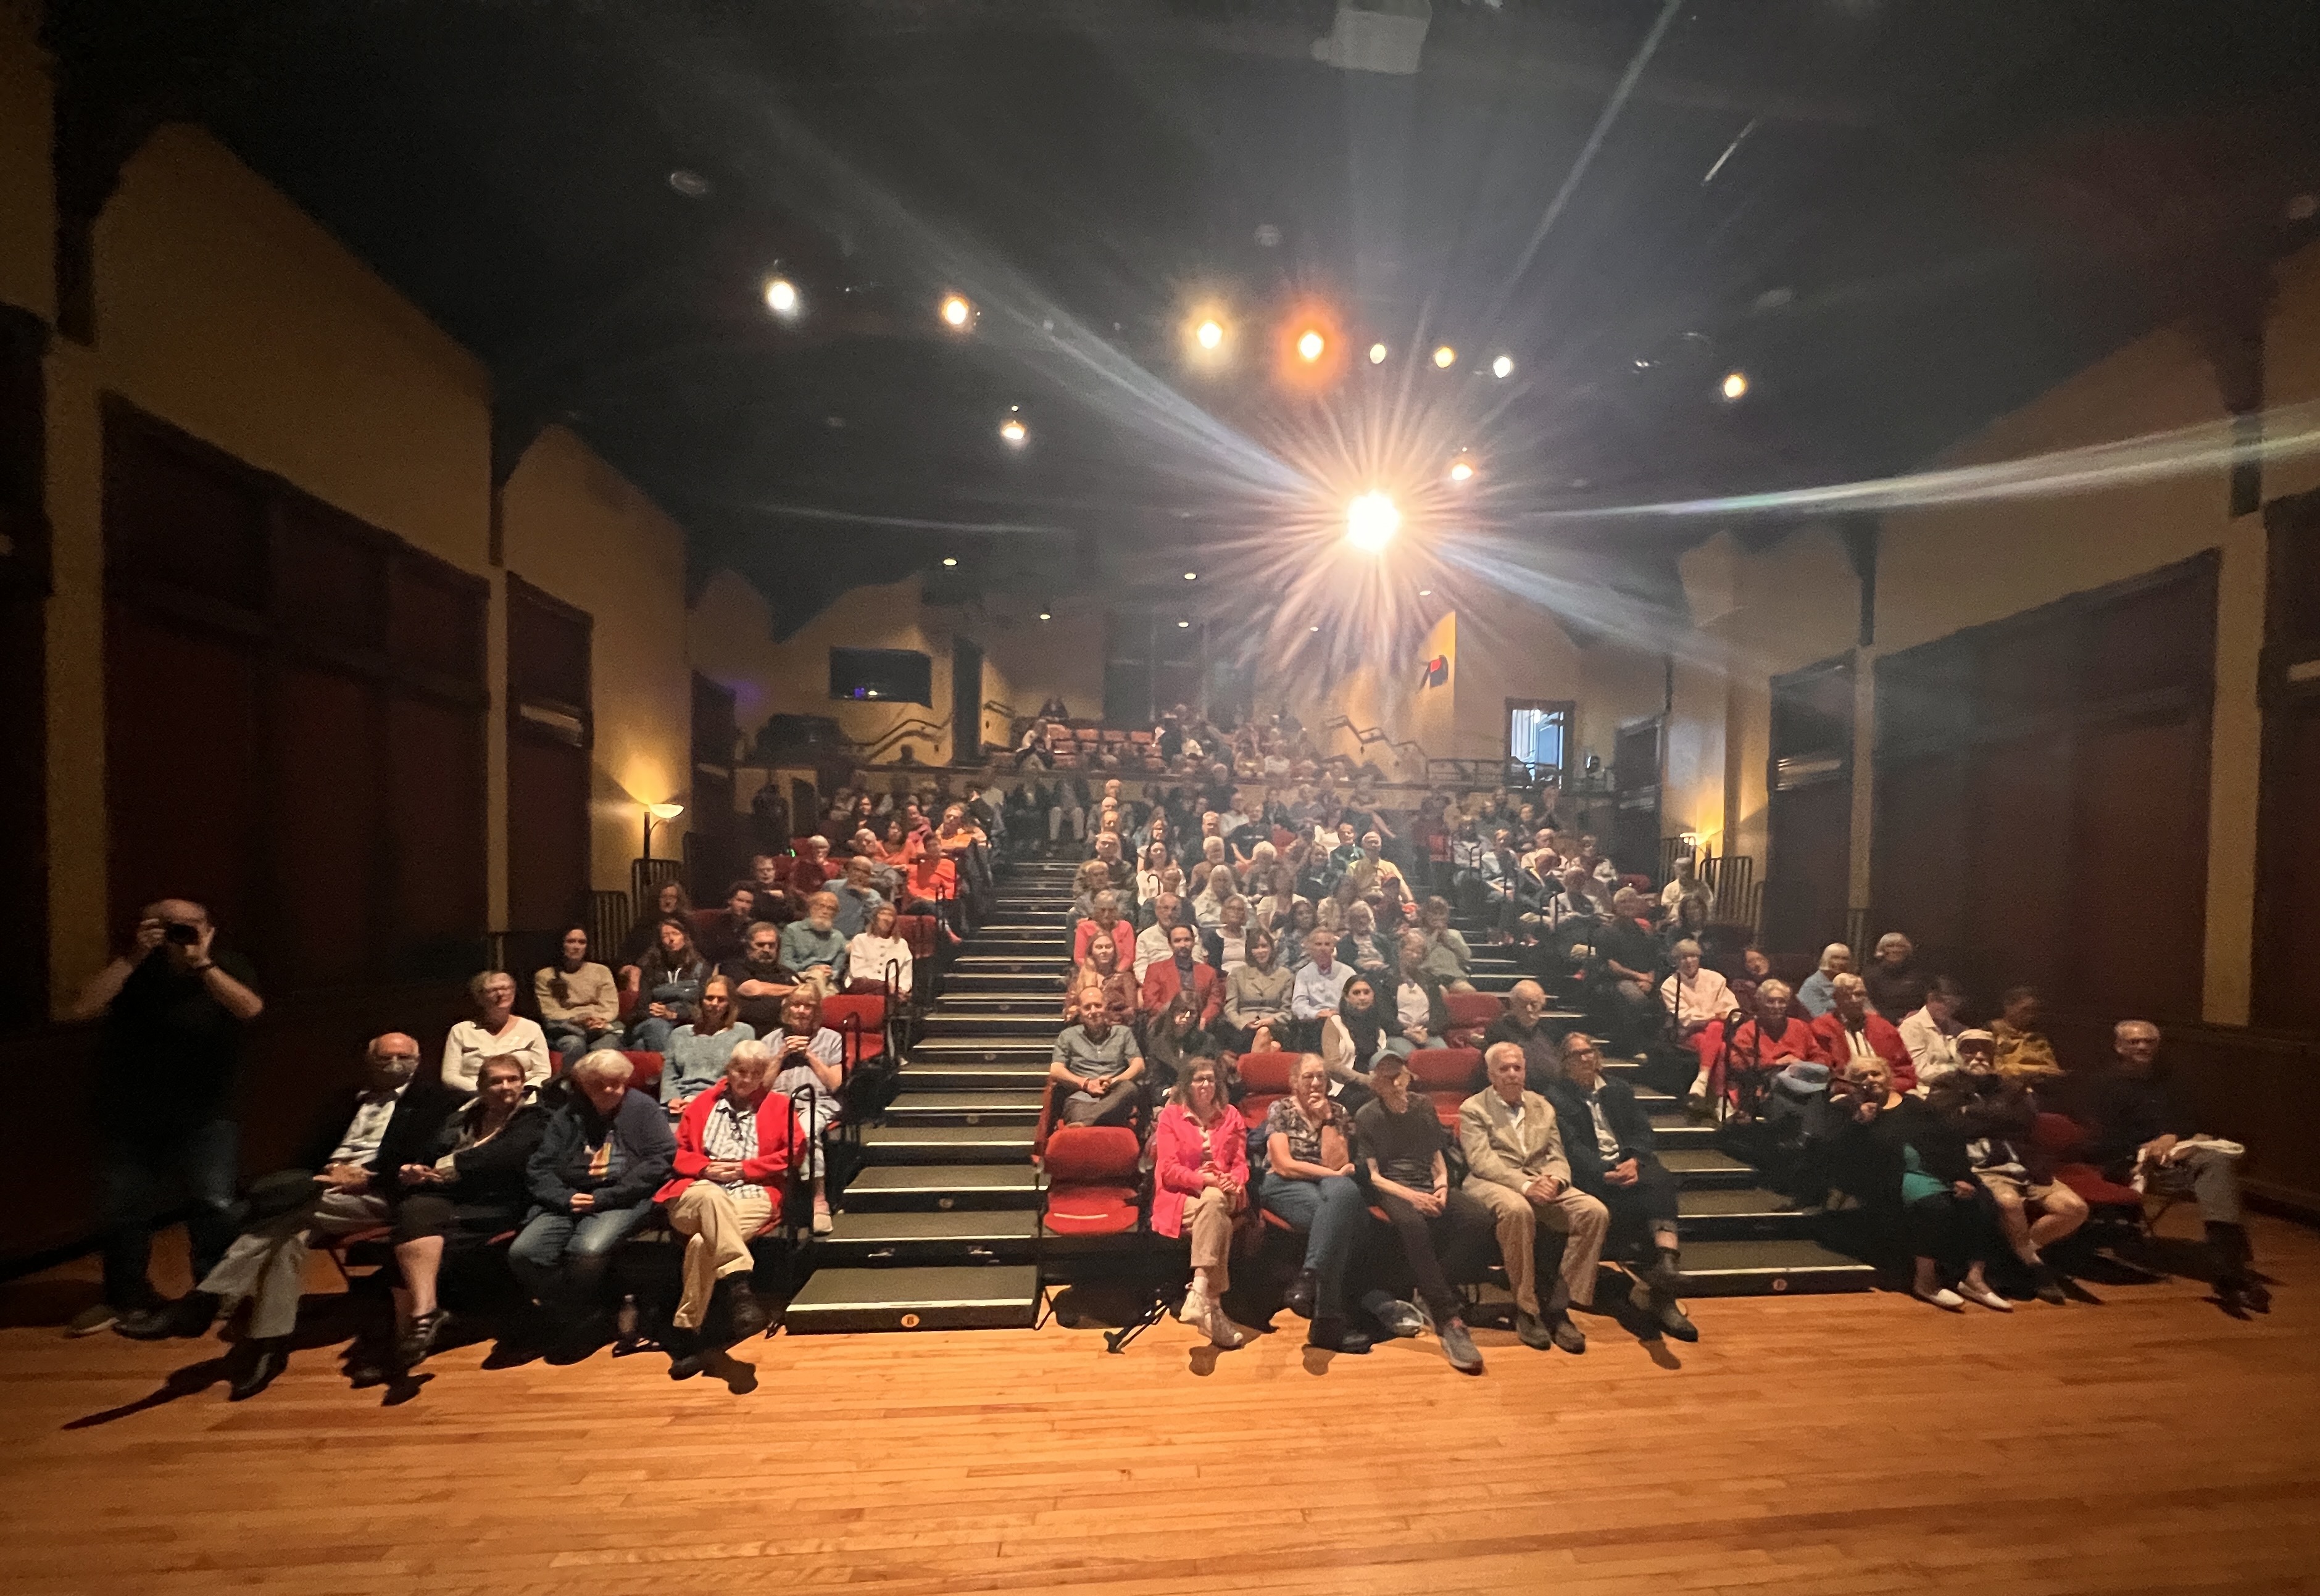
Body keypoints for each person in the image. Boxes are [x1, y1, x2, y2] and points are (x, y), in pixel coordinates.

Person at [120, 1034, 425, 1400]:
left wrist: (366, 1176)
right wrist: (326, 1172)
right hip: (321, 1189)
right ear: (368, 1060)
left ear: (418, 1061)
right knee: (287, 1238)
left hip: (378, 1192)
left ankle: (205, 1301)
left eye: (403, 1057)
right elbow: (307, 1153)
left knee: (279, 1212)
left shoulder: (433, 1101)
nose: (394, 1064)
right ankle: (268, 1344)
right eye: (386, 1057)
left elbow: (424, 1155)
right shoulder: (343, 1101)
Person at [70, 898, 265, 1337]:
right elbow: (83, 1007)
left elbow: (249, 1009)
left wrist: (203, 965)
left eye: (188, 926)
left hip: (208, 1111)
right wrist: (135, 956)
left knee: (213, 1205)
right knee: (124, 1210)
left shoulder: (228, 964)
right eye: (167, 925)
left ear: (209, 928)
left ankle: (213, 1293)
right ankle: (125, 1297)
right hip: (130, 1111)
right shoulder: (133, 967)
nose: (178, 934)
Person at [2080, 1020, 2267, 1314]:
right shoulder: (2103, 1085)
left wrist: (2173, 1137)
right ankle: (2231, 1272)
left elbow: (2191, 1119)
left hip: (2179, 1155)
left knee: (2218, 1163)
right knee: (2217, 1169)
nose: (2142, 1047)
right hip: (2133, 1163)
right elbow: (2098, 1140)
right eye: (2134, 1042)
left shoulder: (2171, 1080)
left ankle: (2229, 1272)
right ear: (2119, 1047)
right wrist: (2147, 1148)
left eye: (2149, 1041)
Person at [511, 1050, 678, 1352]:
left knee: (587, 1250)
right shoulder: (568, 1114)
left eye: (616, 1083)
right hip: (567, 1198)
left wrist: (604, 1197)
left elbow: (661, 1159)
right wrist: (566, 1198)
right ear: (584, 1085)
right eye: (599, 1084)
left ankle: (585, 1317)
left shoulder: (644, 1108)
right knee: (525, 1253)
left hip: (622, 1198)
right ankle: (583, 1313)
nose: (609, 1090)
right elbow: (540, 1166)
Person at [389, 1054, 546, 1368]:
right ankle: (422, 1320)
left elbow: (502, 1157)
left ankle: (412, 1336)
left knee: (415, 1240)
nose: (505, 1087)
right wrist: (415, 1169)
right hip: (453, 1196)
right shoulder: (464, 1117)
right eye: (496, 1081)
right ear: (480, 1086)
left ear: (523, 1083)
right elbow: (432, 1152)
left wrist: (441, 1169)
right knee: (413, 1213)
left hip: (501, 1201)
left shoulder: (536, 1118)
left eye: (512, 1079)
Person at [658, 1039, 805, 1373]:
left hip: (753, 1192)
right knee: (711, 1196)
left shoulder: (779, 1106)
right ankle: (739, 1283)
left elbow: (795, 1153)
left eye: (755, 1074)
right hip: (695, 1193)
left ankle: (688, 1330)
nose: (747, 1079)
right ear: (729, 1069)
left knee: (701, 1242)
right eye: (741, 1071)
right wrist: (704, 1169)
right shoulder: (700, 1105)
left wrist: (746, 1169)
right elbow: (678, 1154)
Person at [1824, 1054, 2010, 1311]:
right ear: (1852, 1083)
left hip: (1937, 1170)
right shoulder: (1845, 1109)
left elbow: (1948, 1140)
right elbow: (1838, 1155)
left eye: (1875, 1074)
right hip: (1890, 1177)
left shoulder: (1913, 1104)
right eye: (1861, 1076)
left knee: (1983, 1202)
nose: (1870, 1080)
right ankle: (1926, 1282)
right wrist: (1860, 1123)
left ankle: (1974, 1280)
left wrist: (1960, 1176)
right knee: (1935, 1207)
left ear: (1887, 1077)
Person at [1544, 1034, 1695, 1341]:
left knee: (1661, 1179)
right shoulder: (1556, 1097)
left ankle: (1666, 1268)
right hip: (1593, 1175)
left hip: (1628, 1165)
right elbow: (1570, 1148)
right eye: (1577, 1055)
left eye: (1590, 1052)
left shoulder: (1619, 1090)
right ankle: (1661, 1291)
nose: (1586, 1059)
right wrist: (1605, 1172)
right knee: (1648, 1194)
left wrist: (1635, 1161)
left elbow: (1642, 1132)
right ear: (1565, 1063)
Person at [1458, 1042, 1608, 1353]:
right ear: (1491, 1074)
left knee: (1594, 1212)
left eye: (1517, 1068)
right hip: (1492, 1181)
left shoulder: (1543, 1105)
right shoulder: (1473, 1108)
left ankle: (1557, 1305)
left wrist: (1555, 1180)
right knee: (1517, 1210)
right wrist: (1525, 1187)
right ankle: (1527, 1309)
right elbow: (1483, 1162)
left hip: (1542, 1178)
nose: (1513, 1075)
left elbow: (1557, 1155)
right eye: (1504, 1069)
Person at [1353, 1055, 1489, 1373]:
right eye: (1388, 1078)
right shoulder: (1367, 1115)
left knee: (1478, 1218)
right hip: (1393, 1189)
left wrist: (1441, 1185)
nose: (1397, 1083)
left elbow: (1435, 1153)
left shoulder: (1423, 1107)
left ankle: (1429, 1290)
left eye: (1400, 1076)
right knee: (1414, 1225)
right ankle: (1447, 1316)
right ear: (1376, 1083)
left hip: (1428, 1182)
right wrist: (1414, 1197)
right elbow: (1373, 1176)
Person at [1927, 1031, 2083, 1305]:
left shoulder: (2011, 1086)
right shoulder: (1945, 1083)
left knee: (2075, 1209)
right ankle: (2034, 1268)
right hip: (1983, 1166)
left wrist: (1974, 1113)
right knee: (2009, 1203)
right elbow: (1948, 1124)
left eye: (1984, 1051)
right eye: (1970, 1050)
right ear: (1958, 1053)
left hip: (2026, 1165)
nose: (1978, 1056)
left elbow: (2024, 1121)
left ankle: (2019, 1256)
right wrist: (1998, 1117)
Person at [1261, 1054, 1373, 1354]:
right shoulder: (1281, 1109)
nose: (1315, 1083)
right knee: (1338, 1218)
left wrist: (1325, 1121)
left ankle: (1308, 1278)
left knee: (1342, 1198)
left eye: (1321, 1077)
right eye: (1308, 1077)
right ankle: (1328, 1322)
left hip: (1327, 1187)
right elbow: (1284, 1165)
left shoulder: (1337, 1111)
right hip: (1285, 1185)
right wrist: (1334, 1176)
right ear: (1294, 1081)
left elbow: (1336, 1161)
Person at [765, 989, 847, 1233]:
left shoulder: (831, 1038)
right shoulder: (769, 1041)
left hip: (818, 1103)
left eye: (808, 1006)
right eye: (796, 1005)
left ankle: (818, 1200)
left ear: (816, 1011)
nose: (801, 1011)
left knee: (805, 1131)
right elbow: (761, 1087)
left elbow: (835, 1084)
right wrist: (782, 1056)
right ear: (787, 1009)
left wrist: (808, 1055)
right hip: (777, 1105)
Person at [1719, 978, 1826, 1117]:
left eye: (1781, 1001)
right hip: (1765, 1084)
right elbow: (1737, 1061)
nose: (1776, 1006)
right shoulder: (1749, 1029)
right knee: (1781, 1085)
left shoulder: (1800, 1027)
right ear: (1760, 1003)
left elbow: (1820, 1056)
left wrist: (1801, 1065)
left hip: (1802, 1079)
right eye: (1770, 1001)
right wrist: (1775, 1063)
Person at [660, 973, 757, 1116]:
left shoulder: (743, 1032)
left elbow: (741, 1079)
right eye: (709, 998)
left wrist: (701, 1102)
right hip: (682, 1102)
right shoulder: (679, 1034)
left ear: (730, 1003)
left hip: (721, 1102)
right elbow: (670, 1075)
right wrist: (673, 1099)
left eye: (722, 999)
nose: (714, 1004)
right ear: (701, 1001)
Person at [1049, 987, 1147, 1128]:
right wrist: (1085, 1083)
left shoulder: (1123, 1033)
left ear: (1106, 1007)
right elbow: (1056, 1070)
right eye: (1087, 1008)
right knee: (1077, 1112)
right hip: (1081, 1098)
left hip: (1115, 1096)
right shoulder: (1068, 1036)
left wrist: (1113, 1081)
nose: (1093, 1011)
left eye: (1098, 1005)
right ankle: (1093, 1120)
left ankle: (1086, 1122)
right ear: (1080, 1012)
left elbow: (1139, 1065)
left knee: (1129, 1088)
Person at [442, 970, 552, 1094]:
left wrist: (518, 1092)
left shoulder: (531, 1028)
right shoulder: (460, 1030)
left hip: (524, 1098)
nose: (500, 993)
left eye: (506, 988)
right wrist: (487, 1091)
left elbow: (542, 1073)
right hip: (475, 1097)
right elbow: (449, 1077)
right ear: (480, 997)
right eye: (492, 990)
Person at [1663, 939, 1738, 1113]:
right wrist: (1713, 1015)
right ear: (1676, 960)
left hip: (1716, 1032)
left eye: (1693, 956)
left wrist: (1717, 1017)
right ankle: (1721, 1100)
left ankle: (1702, 1081)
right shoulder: (1670, 985)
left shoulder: (1715, 978)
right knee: (1719, 1042)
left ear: (1699, 958)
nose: (1689, 961)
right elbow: (1685, 1018)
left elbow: (1733, 1009)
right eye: (1683, 957)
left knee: (1717, 1033)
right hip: (1687, 1034)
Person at [1811, 972, 1916, 1093]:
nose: (1854, 1000)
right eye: (1846, 995)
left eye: (1859, 994)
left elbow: (1905, 1071)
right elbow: (1823, 1071)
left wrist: (1886, 1087)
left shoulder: (1884, 1027)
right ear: (1835, 997)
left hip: (1888, 1090)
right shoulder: (1820, 1028)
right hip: (1846, 1093)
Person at [536, 927, 620, 1068]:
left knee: (607, 1046)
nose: (576, 947)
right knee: (574, 1044)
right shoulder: (545, 975)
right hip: (565, 1029)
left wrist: (596, 1019)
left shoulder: (601, 971)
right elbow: (550, 1012)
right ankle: (571, 1086)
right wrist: (579, 1019)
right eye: (571, 941)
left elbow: (611, 1007)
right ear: (561, 945)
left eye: (582, 942)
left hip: (598, 1026)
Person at [626, 917, 710, 1053]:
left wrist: (673, 1015)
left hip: (684, 1021)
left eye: (675, 934)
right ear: (660, 941)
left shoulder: (701, 967)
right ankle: (669, 1070)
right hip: (650, 1021)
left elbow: (703, 1006)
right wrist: (656, 1012)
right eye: (665, 935)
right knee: (657, 1026)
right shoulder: (651, 967)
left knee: (641, 1045)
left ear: (685, 937)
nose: (671, 939)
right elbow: (642, 1007)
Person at [1480, 979, 1564, 1094]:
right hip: (1516, 1091)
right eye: (1523, 1005)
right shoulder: (1498, 1030)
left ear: (1542, 1004)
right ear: (1513, 1006)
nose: (1529, 1009)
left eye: (1534, 1004)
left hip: (1554, 1090)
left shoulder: (1550, 1028)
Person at [1219, 927, 1293, 1054]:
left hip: (1275, 1026)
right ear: (1249, 950)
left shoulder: (1285, 975)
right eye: (1256, 947)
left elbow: (1287, 1010)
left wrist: (1271, 1020)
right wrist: (1243, 1023)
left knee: (1272, 1038)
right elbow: (1230, 1008)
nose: (1261, 951)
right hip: (1244, 1028)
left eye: (1264, 946)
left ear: (1271, 948)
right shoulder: (1237, 974)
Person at [1141, 921, 1223, 1026]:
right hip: (1166, 1024)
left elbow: (1215, 1001)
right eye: (1177, 941)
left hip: (1200, 1025)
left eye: (1187, 940)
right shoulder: (1155, 970)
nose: (1183, 945)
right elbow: (1150, 1002)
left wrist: (1205, 1018)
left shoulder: (1208, 972)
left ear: (1193, 942)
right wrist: (1173, 1017)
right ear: (1170, 945)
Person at [1287, 927, 1353, 1050]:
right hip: (1314, 1024)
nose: (1323, 949)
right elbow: (1298, 1005)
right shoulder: (1304, 974)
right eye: (1318, 944)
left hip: (1342, 1021)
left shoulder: (1348, 973)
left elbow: (1354, 1002)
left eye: (1327, 944)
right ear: (1311, 948)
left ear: (1333, 948)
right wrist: (1317, 1013)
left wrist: (1338, 1012)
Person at [1898, 977, 1967, 1092]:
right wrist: (1958, 1070)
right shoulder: (1912, 1026)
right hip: (1926, 1089)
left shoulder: (1958, 1028)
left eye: (1956, 1005)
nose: (1951, 1010)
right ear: (1931, 999)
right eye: (1948, 1004)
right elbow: (1920, 1071)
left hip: (1957, 1088)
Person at [1142, 991, 1213, 1099]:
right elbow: (1154, 1082)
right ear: (1173, 1012)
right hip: (1166, 1100)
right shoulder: (1158, 1043)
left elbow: (1215, 1079)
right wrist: (1167, 1092)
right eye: (1183, 1010)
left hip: (1199, 1099)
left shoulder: (1207, 1042)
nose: (1187, 1016)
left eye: (1193, 1012)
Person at [618, 881, 692, 981]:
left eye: (672, 897)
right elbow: (628, 954)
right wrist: (628, 967)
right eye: (664, 897)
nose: (668, 901)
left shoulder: (687, 924)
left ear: (678, 900)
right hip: (648, 973)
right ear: (656, 899)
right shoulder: (644, 925)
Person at [777, 891, 849, 992]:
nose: (825, 911)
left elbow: (837, 969)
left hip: (828, 980)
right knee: (817, 977)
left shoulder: (838, 937)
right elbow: (785, 962)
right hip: (799, 976)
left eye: (831, 909)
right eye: (821, 906)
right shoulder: (793, 930)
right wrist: (809, 968)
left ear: (835, 914)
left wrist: (829, 973)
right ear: (810, 908)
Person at [1065, 928, 1138, 1028]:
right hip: (1085, 1029)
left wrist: (1108, 1016)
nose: (1104, 951)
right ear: (1091, 951)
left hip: (1116, 1030)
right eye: (1099, 947)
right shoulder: (1079, 978)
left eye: (1108, 947)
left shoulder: (1125, 978)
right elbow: (1070, 1010)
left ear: (1114, 951)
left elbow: (1132, 1011)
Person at [1990, 986, 2063, 1083]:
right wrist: (2034, 1071)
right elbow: (1995, 1070)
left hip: (2040, 1090)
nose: (2030, 1016)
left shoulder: (2038, 1038)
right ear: (2008, 1007)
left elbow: (2052, 1069)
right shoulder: (1990, 1033)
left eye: (2034, 1011)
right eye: (2025, 1010)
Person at [846, 901, 915, 999]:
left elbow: (906, 974)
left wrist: (901, 988)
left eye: (890, 915)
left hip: (890, 992)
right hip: (862, 986)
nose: (886, 918)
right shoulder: (860, 939)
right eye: (882, 913)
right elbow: (857, 972)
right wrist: (883, 985)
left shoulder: (901, 944)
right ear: (875, 918)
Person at [1862, 931, 1927, 1020]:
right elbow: (1866, 1003)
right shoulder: (1870, 975)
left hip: (1913, 1023)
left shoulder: (1919, 975)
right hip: (1879, 1022)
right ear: (1882, 950)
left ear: (1907, 950)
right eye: (1890, 946)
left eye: (1900, 946)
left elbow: (1926, 1004)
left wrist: (1915, 1016)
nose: (1895, 950)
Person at [1071, 889, 1136, 970]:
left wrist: (1117, 974)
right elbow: (1079, 958)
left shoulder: (1125, 927)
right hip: (1090, 974)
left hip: (1120, 974)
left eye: (1111, 910)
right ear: (1095, 910)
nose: (1107, 914)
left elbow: (1129, 957)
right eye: (1103, 910)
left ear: (1116, 911)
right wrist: (1096, 975)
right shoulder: (1084, 928)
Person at [699, 881, 760, 963]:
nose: (744, 906)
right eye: (740, 900)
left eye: (748, 902)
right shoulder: (713, 920)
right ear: (730, 901)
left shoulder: (753, 927)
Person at [829, 857, 888, 940]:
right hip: (828, 936)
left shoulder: (874, 896)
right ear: (849, 869)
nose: (859, 874)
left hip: (854, 940)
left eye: (865, 872)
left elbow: (877, 921)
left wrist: (864, 894)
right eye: (856, 870)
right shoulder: (831, 886)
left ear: (870, 876)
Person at [1797, 943, 1852, 1018]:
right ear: (1826, 959)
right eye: (1835, 958)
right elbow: (1818, 1017)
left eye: (1845, 959)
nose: (1841, 962)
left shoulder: (1852, 983)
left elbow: (1867, 1011)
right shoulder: (1812, 985)